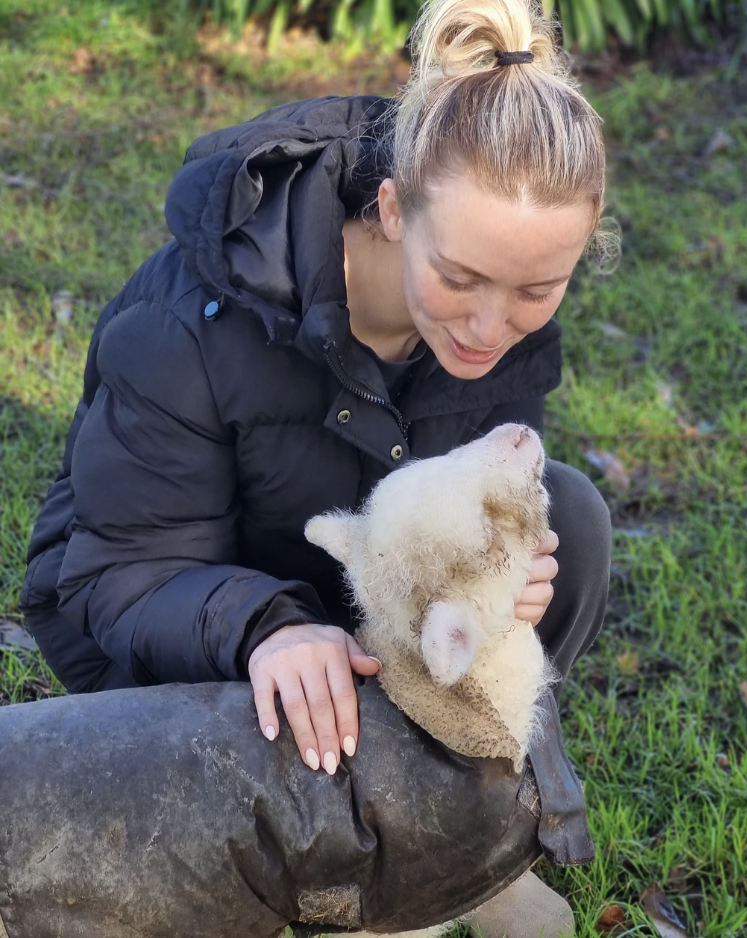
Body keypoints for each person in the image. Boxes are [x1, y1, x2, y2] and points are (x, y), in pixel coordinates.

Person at [19, 0, 614, 933]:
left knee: (566, 523)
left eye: (537, 289)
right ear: (390, 210)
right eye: (458, 278)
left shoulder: (502, 326)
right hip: (181, 613)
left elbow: (462, 522)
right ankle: (313, 863)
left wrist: (506, 581)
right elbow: (117, 574)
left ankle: (453, 848)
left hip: (354, 594)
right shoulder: (183, 329)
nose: (490, 326)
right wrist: (268, 631)